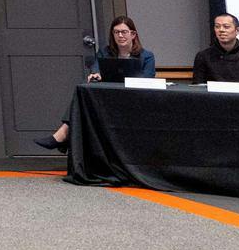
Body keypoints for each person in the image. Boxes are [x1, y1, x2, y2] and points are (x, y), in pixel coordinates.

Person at [33, 15, 154, 151]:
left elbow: (147, 79)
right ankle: (63, 135)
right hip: (108, 97)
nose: (120, 35)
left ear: (133, 34)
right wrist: (95, 74)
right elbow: (95, 67)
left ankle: (62, 136)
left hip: (133, 98)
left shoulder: (146, 56)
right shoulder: (105, 52)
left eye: (124, 32)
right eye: (116, 32)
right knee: (82, 89)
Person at [191, 12, 239, 86]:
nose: (221, 30)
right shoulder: (203, 56)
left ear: (237, 30)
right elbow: (198, 87)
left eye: (226, 27)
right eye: (217, 26)